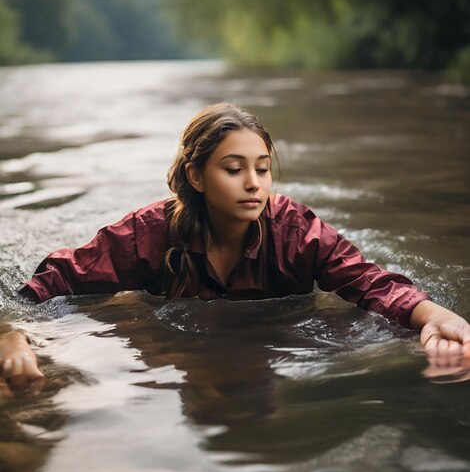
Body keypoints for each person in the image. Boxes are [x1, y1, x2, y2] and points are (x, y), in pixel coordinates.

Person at [1, 103, 469, 388]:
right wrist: (11, 336)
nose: (253, 184)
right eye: (234, 168)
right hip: (178, 334)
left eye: (262, 169)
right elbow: (47, 287)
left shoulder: (294, 230)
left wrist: (436, 318)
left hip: (273, 334)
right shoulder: (147, 233)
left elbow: (368, 280)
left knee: (381, 337)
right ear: (196, 176)